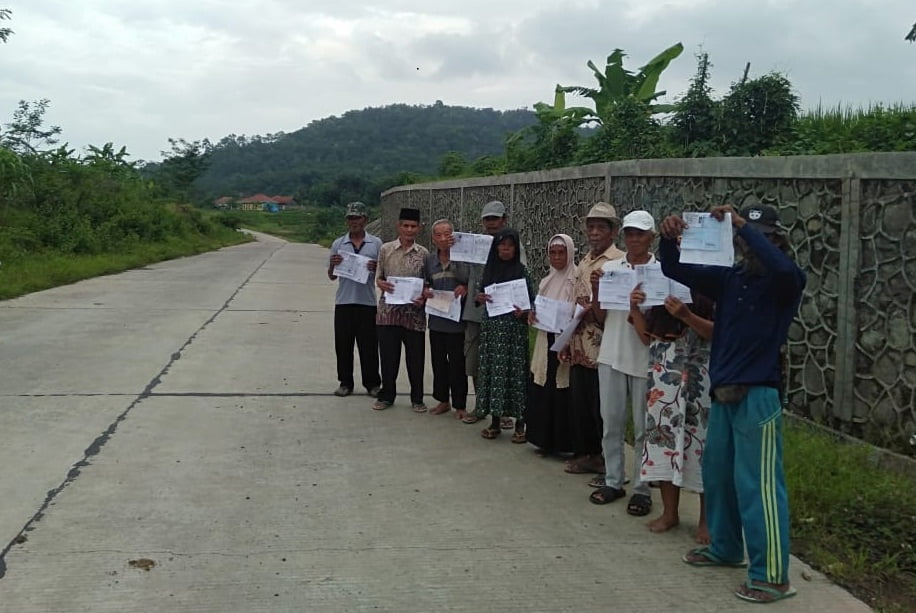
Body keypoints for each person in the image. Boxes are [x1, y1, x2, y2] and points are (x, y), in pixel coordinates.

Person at [660, 204, 805, 604]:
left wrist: (744, 225)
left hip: (758, 394)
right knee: (718, 474)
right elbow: (678, 270)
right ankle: (724, 547)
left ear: (777, 240)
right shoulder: (733, 278)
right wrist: (669, 239)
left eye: (763, 237)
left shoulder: (785, 281)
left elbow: (784, 269)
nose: (749, 245)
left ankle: (772, 575)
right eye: (744, 238)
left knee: (758, 486)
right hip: (723, 392)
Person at [630, 288, 714, 543]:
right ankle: (669, 513)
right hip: (663, 370)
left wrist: (686, 316)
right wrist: (634, 308)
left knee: (701, 441)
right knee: (664, 440)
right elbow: (647, 337)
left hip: (700, 369)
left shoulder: (712, 281)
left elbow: (717, 332)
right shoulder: (663, 282)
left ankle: (707, 521)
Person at [587, 210, 655, 517]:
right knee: (610, 421)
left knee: (642, 428)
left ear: (650, 237)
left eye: (639, 233)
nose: (634, 239)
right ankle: (614, 480)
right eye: (629, 233)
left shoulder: (660, 272)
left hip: (644, 358)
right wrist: (599, 290)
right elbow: (600, 318)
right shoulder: (611, 268)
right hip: (611, 354)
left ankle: (642, 487)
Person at [559, 202, 623, 476]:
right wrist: (566, 340)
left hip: (603, 345)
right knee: (581, 404)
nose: (594, 232)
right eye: (591, 227)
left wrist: (592, 307)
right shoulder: (584, 261)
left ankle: (604, 458)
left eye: (601, 227)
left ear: (612, 231)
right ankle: (588, 453)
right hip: (579, 343)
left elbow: (614, 309)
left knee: (602, 406)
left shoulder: (617, 262)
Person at [461, 200, 526, 429]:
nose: (491, 223)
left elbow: (521, 283)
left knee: (505, 364)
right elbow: (464, 274)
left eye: (495, 218)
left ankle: (503, 411)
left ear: (504, 219)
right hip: (478, 313)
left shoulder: (515, 246)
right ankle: (482, 405)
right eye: (487, 219)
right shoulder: (474, 244)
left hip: (507, 318)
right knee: (476, 362)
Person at [473, 228, 534, 442]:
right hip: (492, 332)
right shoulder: (489, 271)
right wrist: (479, 298)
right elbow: (478, 296)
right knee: (493, 377)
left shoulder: (522, 272)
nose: (505, 249)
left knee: (516, 376)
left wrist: (525, 312)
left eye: (510, 245)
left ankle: (520, 424)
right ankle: (495, 422)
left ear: (516, 248)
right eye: (501, 244)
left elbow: (532, 302)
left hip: (514, 334)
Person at [373, 207, 430, 412]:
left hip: (413, 316)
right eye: (405, 225)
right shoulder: (386, 250)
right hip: (388, 314)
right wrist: (382, 284)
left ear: (419, 228)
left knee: (415, 360)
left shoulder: (424, 254)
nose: (409, 229)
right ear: (399, 226)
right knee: (388, 358)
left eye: (413, 226)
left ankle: (417, 399)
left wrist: (423, 296)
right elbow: (378, 277)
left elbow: (428, 284)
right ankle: (387, 395)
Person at [525, 233, 577, 455]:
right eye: (553, 253)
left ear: (570, 252)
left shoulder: (576, 280)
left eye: (561, 252)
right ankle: (543, 440)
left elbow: (578, 310)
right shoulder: (547, 281)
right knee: (544, 386)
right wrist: (532, 315)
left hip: (565, 340)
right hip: (546, 339)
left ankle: (563, 443)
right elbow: (539, 308)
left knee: (562, 388)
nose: (556, 257)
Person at [327, 201, 383, 398]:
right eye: (351, 218)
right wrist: (334, 265)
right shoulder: (338, 244)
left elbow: (383, 274)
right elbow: (332, 276)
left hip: (367, 303)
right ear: (346, 220)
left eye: (357, 217)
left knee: (369, 346)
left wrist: (375, 268)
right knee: (343, 345)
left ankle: (372, 384)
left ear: (365, 219)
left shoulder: (376, 244)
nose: (354, 221)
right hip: (344, 302)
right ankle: (345, 382)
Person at [423, 219, 470, 418]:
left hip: (457, 322)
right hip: (436, 319)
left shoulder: (463, 259)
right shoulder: (429, 261)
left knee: (458, 363)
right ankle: (443, 400)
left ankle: (460, 405)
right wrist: (425, 290)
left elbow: (471, 281)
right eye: (439, 235)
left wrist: (466, 287)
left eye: (447, 234)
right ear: (434, 239)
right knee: (438, 362)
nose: (444, 238)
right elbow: (424, 282)